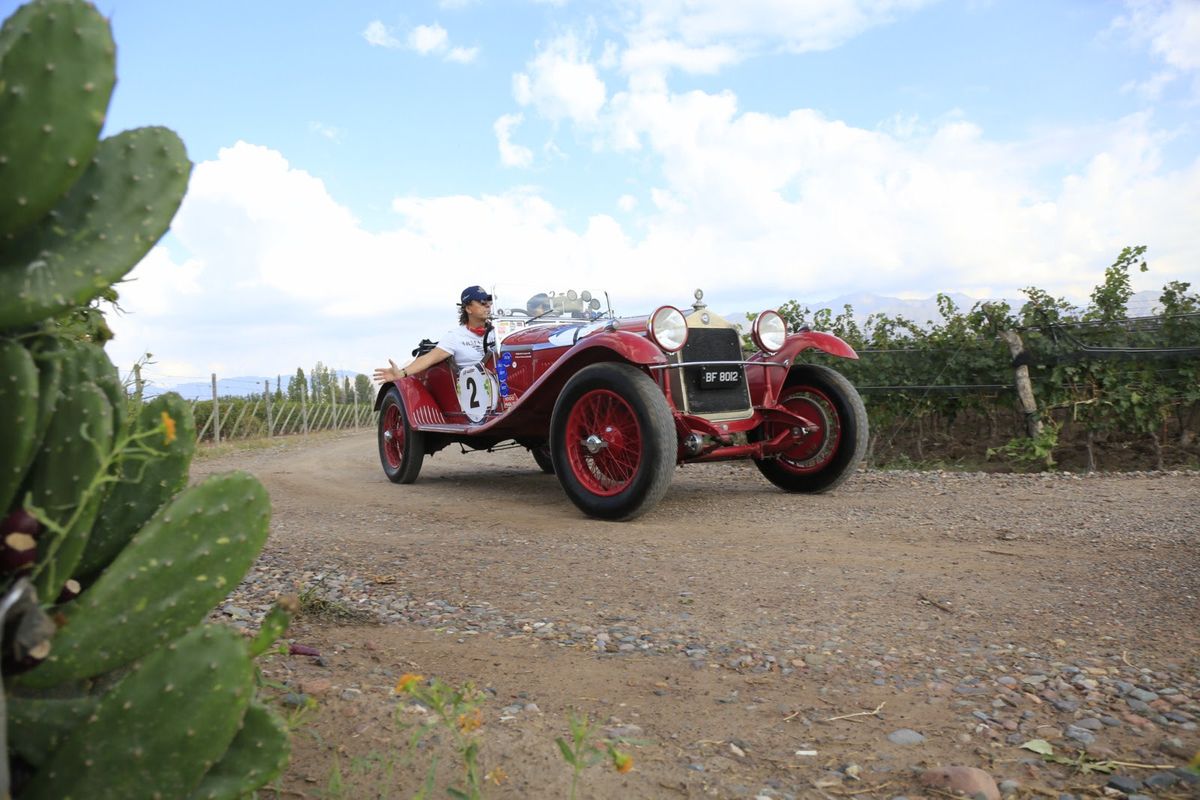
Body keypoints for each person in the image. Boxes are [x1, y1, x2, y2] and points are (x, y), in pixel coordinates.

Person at [373, 285, 495, 383]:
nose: (488, 306)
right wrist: (401, 373)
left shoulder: (497, 333)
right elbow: (428, 359)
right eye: (482, 302)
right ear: (468, 309)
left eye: (489, 302)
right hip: (477, 390)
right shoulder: (455, 336)